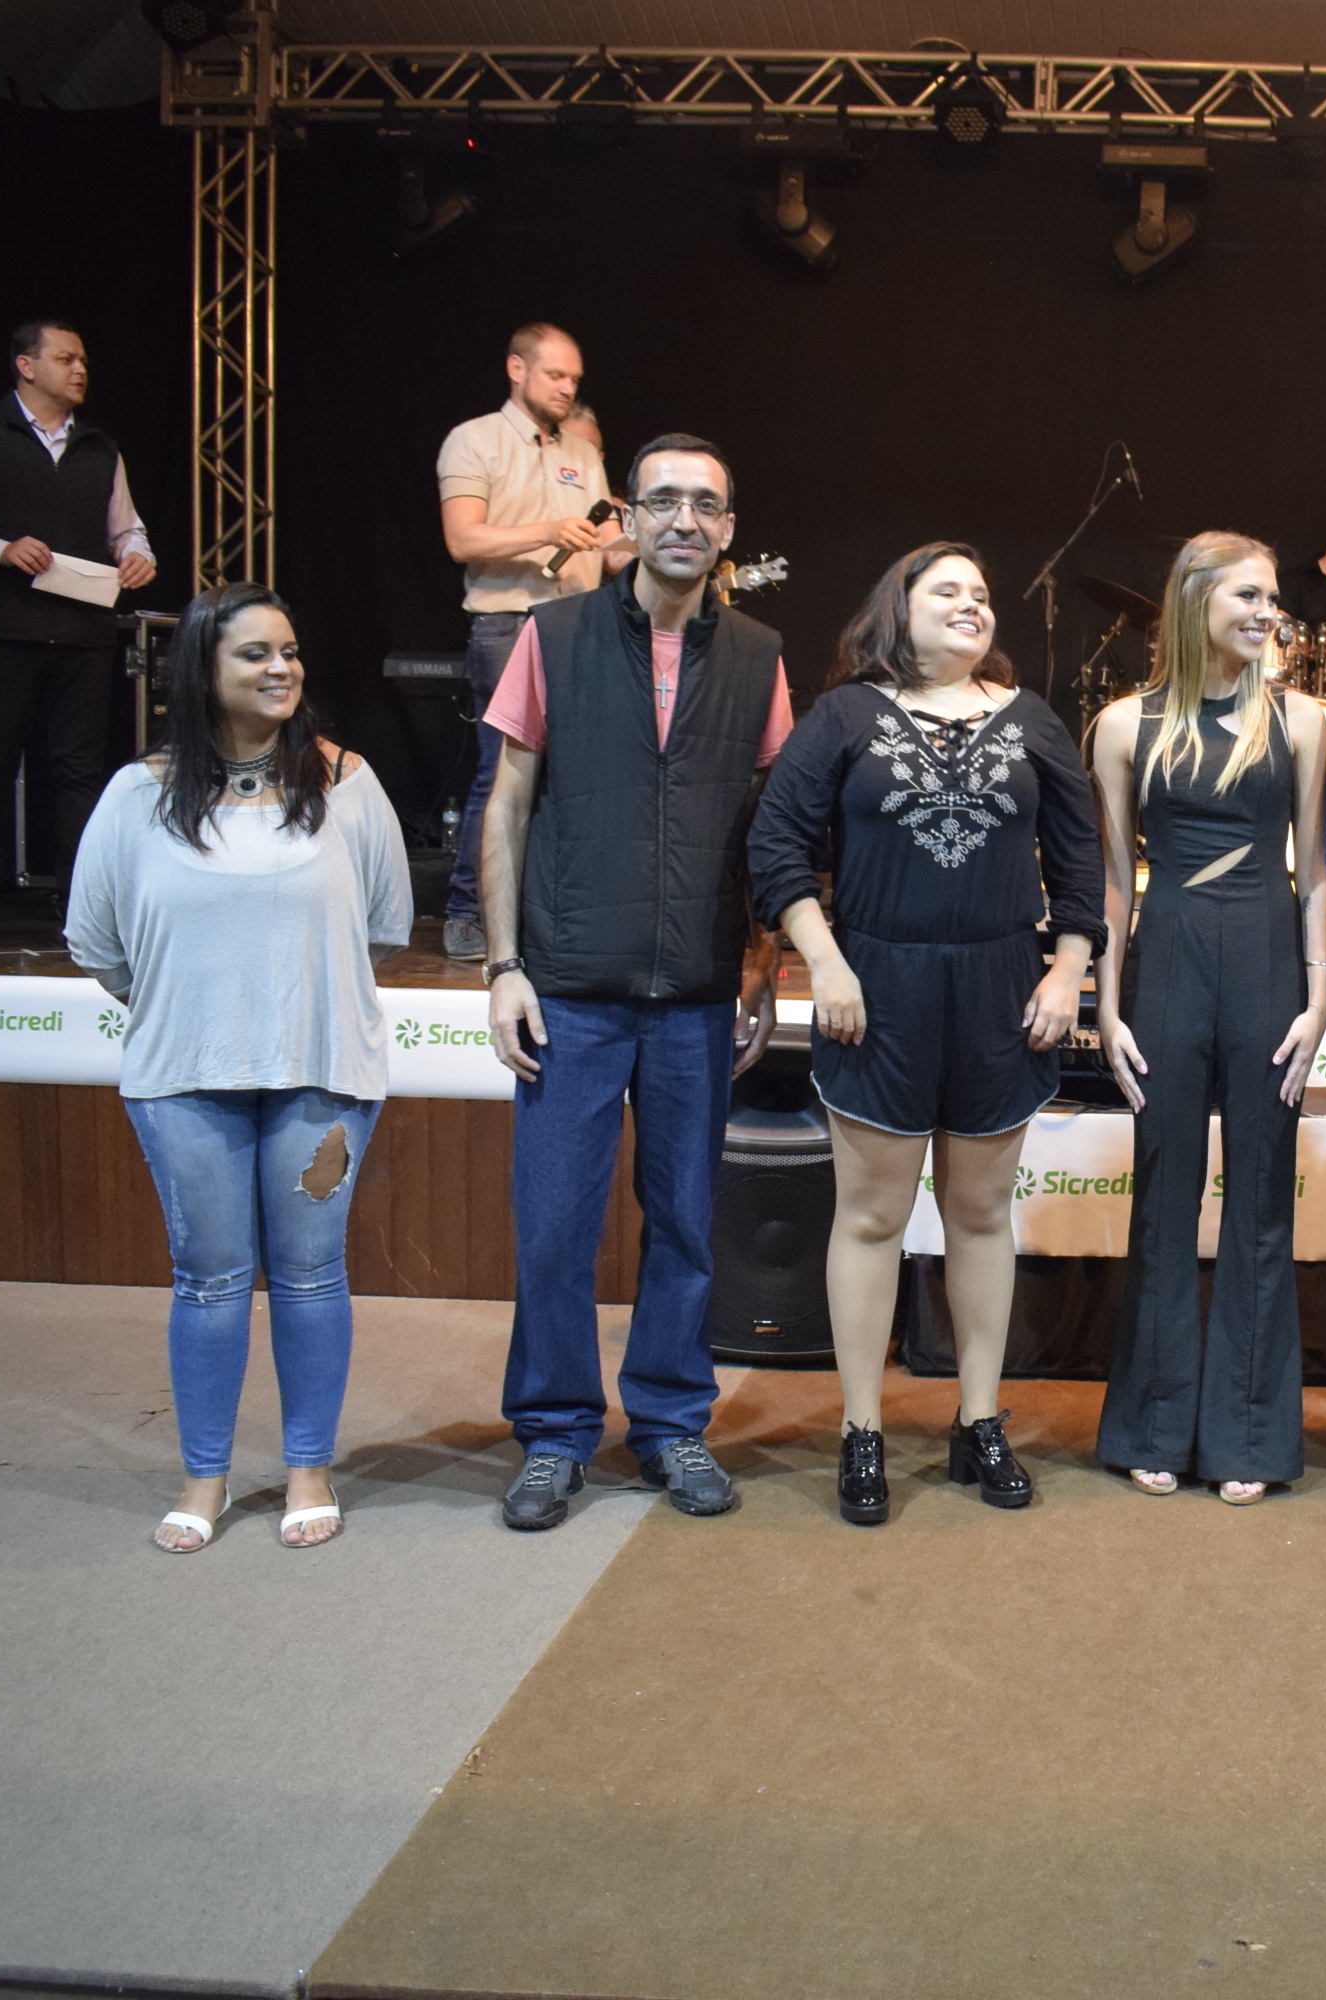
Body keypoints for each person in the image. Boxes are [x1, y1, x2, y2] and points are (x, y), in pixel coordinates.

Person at [748, 544, 1105, 1527]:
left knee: (982, 1216)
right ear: (896, 608)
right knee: (870, 1217)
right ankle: (861, 1428)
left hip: (1000, 994)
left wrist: (1068, 970)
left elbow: (1082, 860)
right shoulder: (845, 715)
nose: (970, 603)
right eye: (946, 589)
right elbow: (777, 842)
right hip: (875, 990)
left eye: (981, 593)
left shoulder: (1033, 721)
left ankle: (978, 1420)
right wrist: (824, 961)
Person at [480, 434, 793, 1531]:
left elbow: (772, 825)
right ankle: (554, 1433)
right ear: (626, 517)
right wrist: (503, 966)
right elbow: (507, 805)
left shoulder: (757, 653)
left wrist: (762, 961)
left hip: (698, 990)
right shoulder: (554, 634)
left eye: (705, 503)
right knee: (553, 1227)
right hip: (567, 984)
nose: (683, 519)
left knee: (688, 1225)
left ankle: (668, 1423)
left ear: (728, 528)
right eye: (662, 499)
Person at [64, 581, 410, 1552]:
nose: (280, 667)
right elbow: (96, 941)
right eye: (255, 653)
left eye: (289, 650)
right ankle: (204, 1477)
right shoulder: (137, 794)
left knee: (309, 1275)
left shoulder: (347, 783)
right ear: (202, 670)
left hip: (322, 1070)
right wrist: (199, 1011)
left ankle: (308, 1469)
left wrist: (290, 1002)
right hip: (183, 1075)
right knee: (209, 1281)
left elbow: (383, 924)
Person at [1088, 533, 1326, 1504]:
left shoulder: (1304, 720)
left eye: (1272, 597)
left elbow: (1315, 870)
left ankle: (1248, 1436)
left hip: (1269, 957)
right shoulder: (1122, 725)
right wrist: (1106, 1004)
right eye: (1249, 594)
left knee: (1262, 1197)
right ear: (1195, 601)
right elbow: (1114, 884)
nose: (1268, 611)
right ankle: (1152, 1423)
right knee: (1164, 1194)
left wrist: (1320, 995)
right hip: (1169, 961)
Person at [0, 319, 158, 944]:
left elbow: (126, 528)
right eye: (65, 359)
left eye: (83, 361)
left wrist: (138, 555)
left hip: (81, 631)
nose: (80, 370)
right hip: (3, 627)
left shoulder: (100, 447)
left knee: (79, 770)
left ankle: (78, 902)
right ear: (26, 366)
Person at [436, 323, 618, 961]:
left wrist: (669, 549)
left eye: (575, 379)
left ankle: (553, 914)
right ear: (517, 369)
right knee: (504, 772)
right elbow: (463, 539)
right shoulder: (475, 439)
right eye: (555, 375)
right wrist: (548, 530)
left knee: (578, 775)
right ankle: (467, 912)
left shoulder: (584, 453)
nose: (567, 388)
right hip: (510, 624)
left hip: (581, 627)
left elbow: (612, 549)